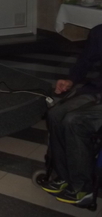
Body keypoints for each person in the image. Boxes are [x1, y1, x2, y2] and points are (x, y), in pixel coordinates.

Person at [41, 24, 102, 205]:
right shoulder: (99, 32)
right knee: (55, 114)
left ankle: (83, 188)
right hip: (97, 91)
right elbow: (85, 60)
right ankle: (65, 176)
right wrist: (71, 80)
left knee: (75, 120)